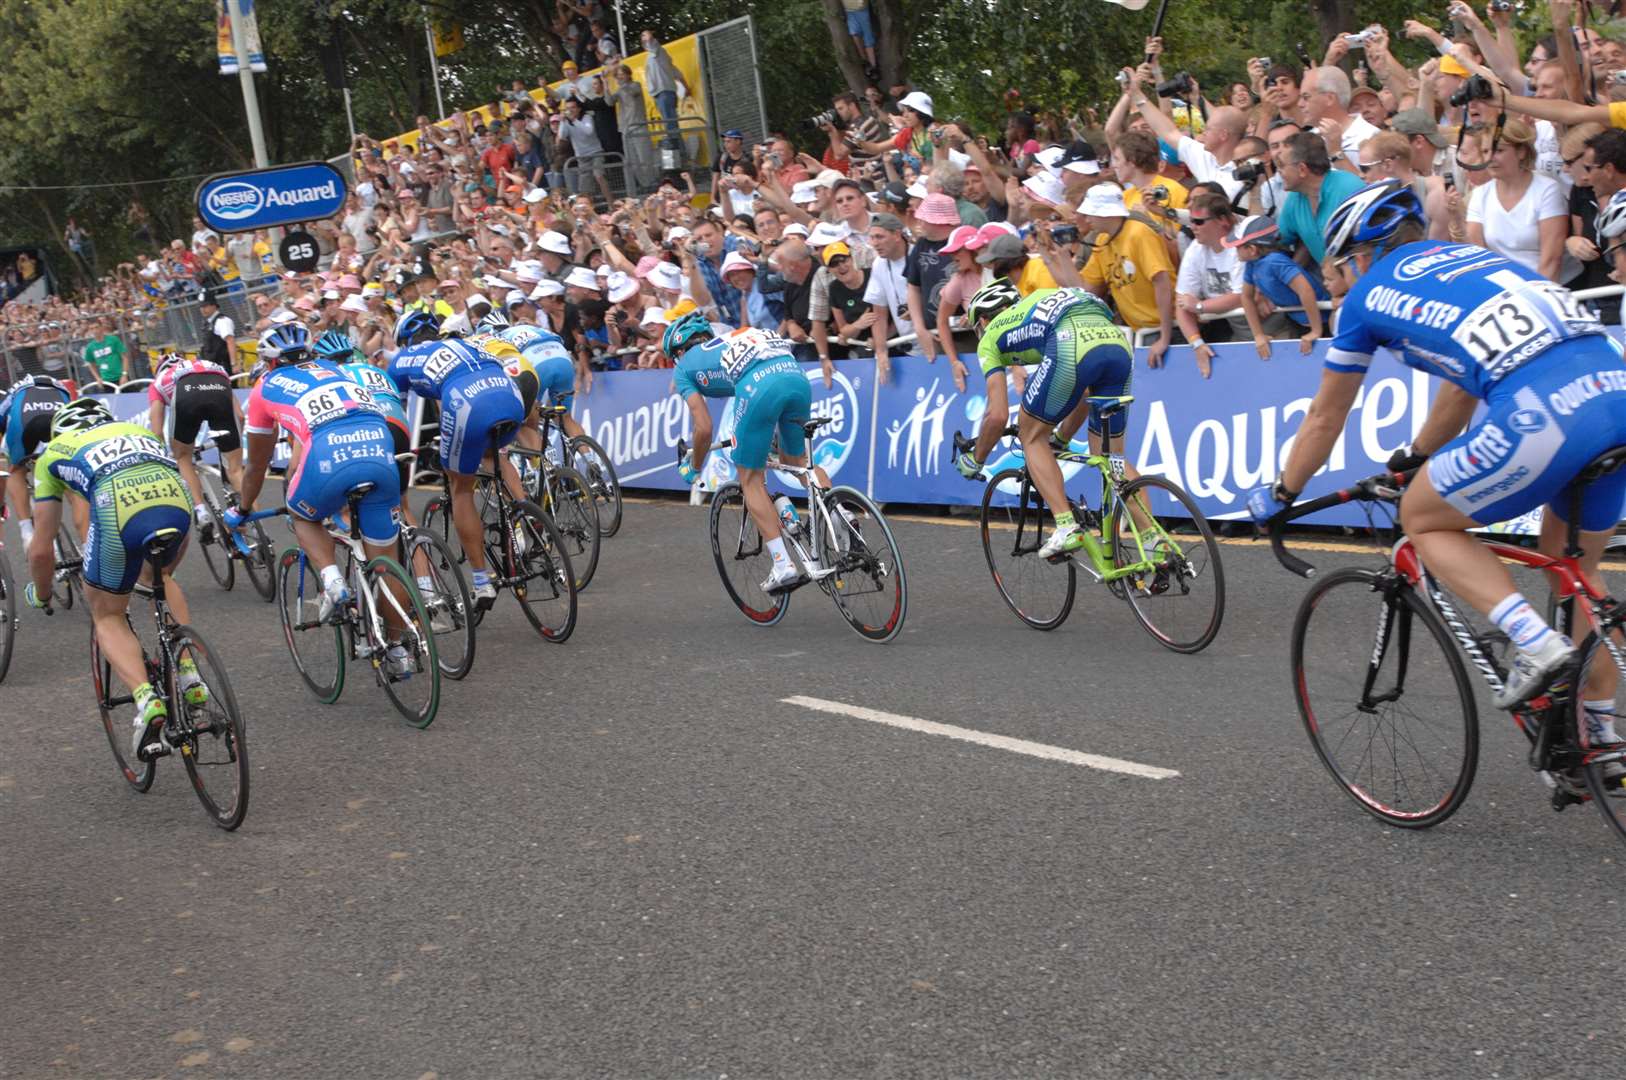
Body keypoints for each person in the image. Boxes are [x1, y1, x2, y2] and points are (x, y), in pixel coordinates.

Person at [1249, 180, 1626, 715]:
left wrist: (1284, 492)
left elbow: (1325, 415)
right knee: (1575, 573)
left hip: (1546, 412)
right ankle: (1602, 744)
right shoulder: (1473, 259)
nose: (1338, 281)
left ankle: (1535, 643)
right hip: (1617, 391)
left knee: (1422, 518)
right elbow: (1458, 390)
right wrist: (1419, 454)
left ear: (1362, 256)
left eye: (1338, 267)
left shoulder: (1365, 297)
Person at [226, 324, 413, 678]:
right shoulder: (337, 369)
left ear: (269, 364)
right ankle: (399, 650)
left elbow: (258, 465)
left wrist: (244, 508)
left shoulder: (266, 387)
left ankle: (332, 581)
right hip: (380, 445)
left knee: (303, 515)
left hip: (330, 454)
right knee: (387, 563)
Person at [24, 398, 205, 759]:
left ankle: (146, 700)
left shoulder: (52, 454)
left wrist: (43, 594)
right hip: (176, 497)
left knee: (106, 613)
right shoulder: (136, 430)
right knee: (162, 575)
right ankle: (189, 671)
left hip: (117, 504)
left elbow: (42, 547)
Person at [954, 282, 1136, 560]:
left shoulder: (991, 335)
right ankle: (1155, 543)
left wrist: (976, 459)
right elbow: (1084, 392)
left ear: (982, 320)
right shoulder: (1035, 304)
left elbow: (998, 415)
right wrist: (1061, 439)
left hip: (1070, 339)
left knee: (1030, 435)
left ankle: (1066, 526)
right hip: (1116, 339)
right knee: (1112, 459)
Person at [666, 312, 820, 594]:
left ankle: (783, 564)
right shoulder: (731, 339)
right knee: (798, 462)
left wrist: (695, 466)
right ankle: (840, 517)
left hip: (759, 385)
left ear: (678, 352)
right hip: (796, 374)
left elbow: (703, 428)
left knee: (749, 477)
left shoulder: (684, 367)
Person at [387, 311, 525, 610]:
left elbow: (396, 415)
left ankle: (480, 581)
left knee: (460, 487)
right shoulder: (463, 341)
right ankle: (526, 521)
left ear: (403, 341)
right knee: (494, 454)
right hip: (509, 393)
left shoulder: (401, 360)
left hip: (467, 401)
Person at [146, 350, 246, 537]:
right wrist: (231, 443)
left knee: (183, 457)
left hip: (186, 394)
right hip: (219, 385)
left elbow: (157, 430)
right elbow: (240, 416)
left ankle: (201, 511)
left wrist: (160, 456)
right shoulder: (208, 365)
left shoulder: (158, 382)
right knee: (235, 470)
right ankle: (254, 523)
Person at [1466, 118, 1569, 282]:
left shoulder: (1547, 190)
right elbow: (1478, 257)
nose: (1490, 158)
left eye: (1498, 150)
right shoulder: (1480, 195)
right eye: (1485, 152)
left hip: (1544, 287)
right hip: (1501, 291)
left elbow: (1551, 261)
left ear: (1521, 152)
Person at [196, 289, 236, 371]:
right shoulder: (208, 322)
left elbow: (230, 341)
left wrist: (234, 364)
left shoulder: (222, 321)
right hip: (212, 368)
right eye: (201, 306)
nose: (202, 309)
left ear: (214, 305)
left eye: (205, 306)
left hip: (222, 367)